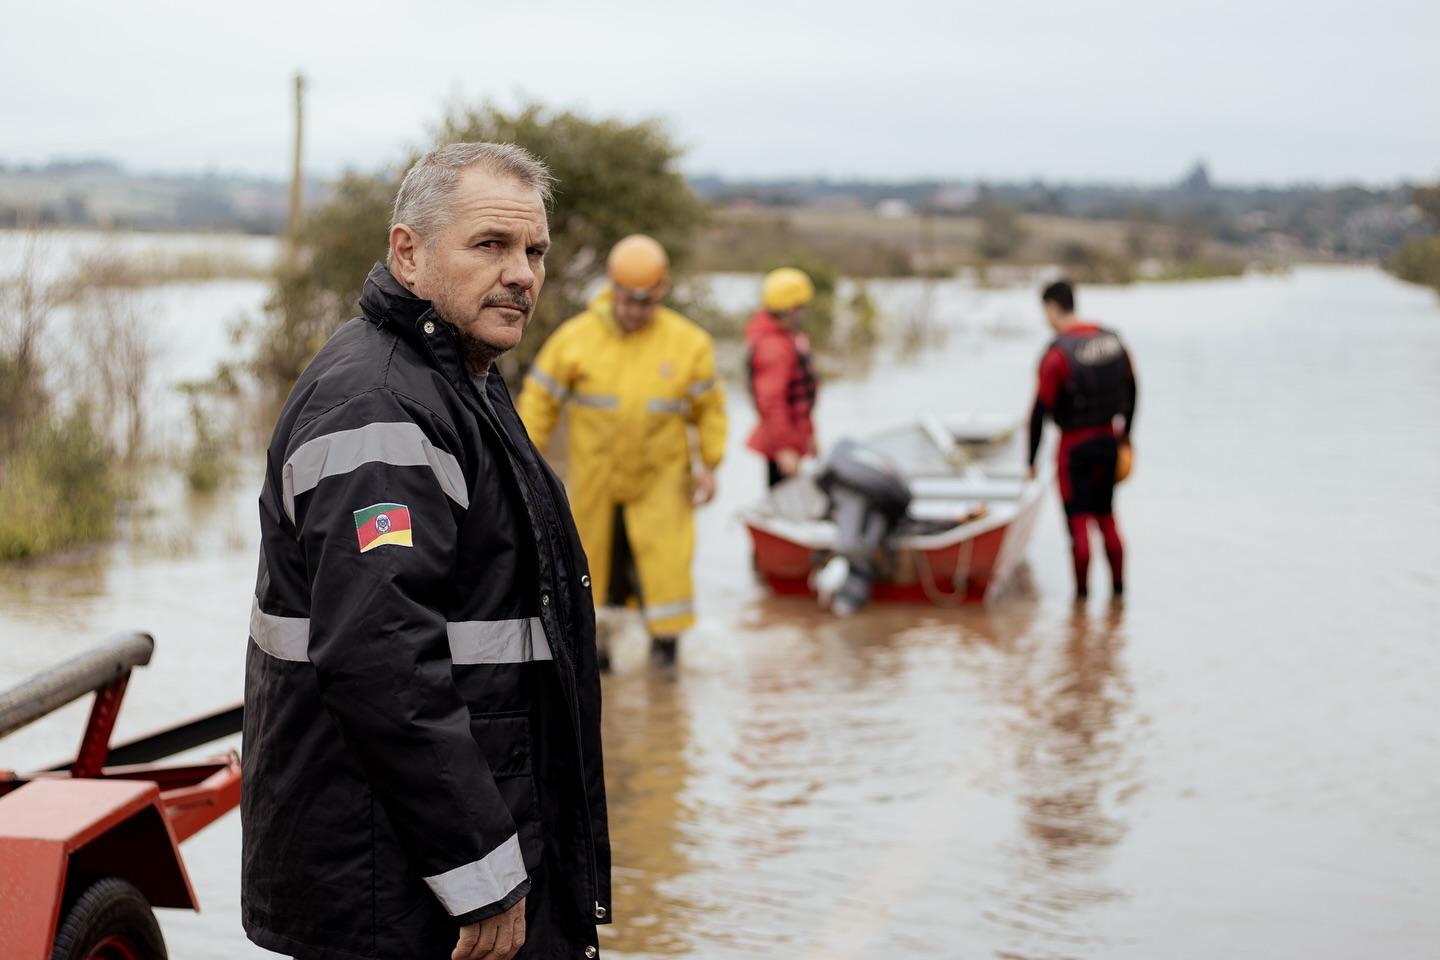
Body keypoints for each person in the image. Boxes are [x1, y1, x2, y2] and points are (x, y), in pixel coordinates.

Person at [243, 143, 611, 960]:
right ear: (408, 252)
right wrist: (479, 871)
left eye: (535, 251)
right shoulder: (379, 407)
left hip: (444, 862)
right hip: (402, 890)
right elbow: (383, 662)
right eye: (491, 245)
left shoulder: (461, 375)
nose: (521, 273)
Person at [518, 235, 727, 666]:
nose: (635, 313)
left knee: (664, 583)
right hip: (597, 486)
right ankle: (603, 682)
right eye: (629, 302)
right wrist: (523, 463)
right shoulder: (575, 339)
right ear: (612, 290)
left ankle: (665, 676)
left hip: (662, 487)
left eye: (645, 304)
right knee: (592, 580)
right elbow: (539, 403)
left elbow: (710, 409)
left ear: (661, 294)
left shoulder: (688, 344)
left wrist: (709, 464)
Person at [1027, 279, 1137, 600]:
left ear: (1050, 308)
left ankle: (1081, 602)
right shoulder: (1113, 341)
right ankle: (1119, 596)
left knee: (1078, 525)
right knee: (1107, 516)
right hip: (1109, 441)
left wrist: (1030, 461)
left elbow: (1038, 411)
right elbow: (1133, 391)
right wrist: (1126, 436)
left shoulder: (1058, 354)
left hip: (1073, 447)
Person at [745, 267, 819, 487]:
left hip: (792, 436)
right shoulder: (773, 347)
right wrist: (784, 448)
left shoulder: (787, 338)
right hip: (780, 443)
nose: (804, 314)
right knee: (782, 499)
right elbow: (771, 402)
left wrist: (810, 433)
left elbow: (801, 397)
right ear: (790, 309)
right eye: (801, 308)